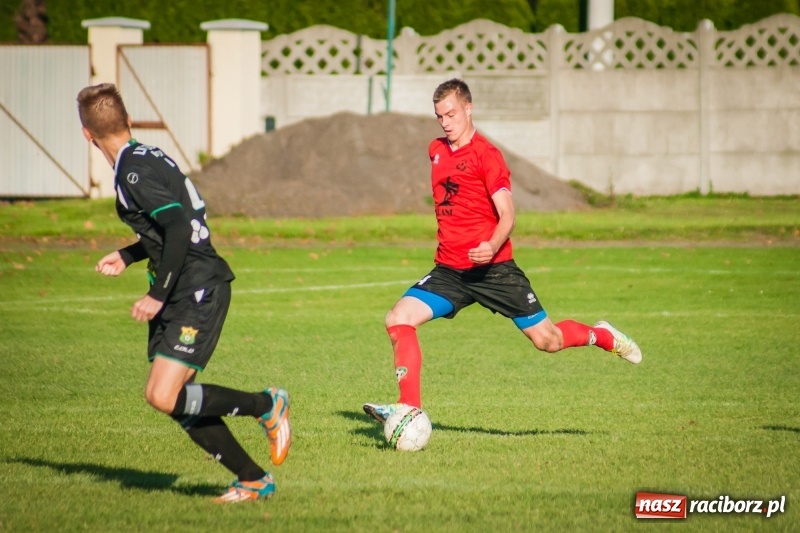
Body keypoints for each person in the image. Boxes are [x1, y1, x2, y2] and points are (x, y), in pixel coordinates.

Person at [363, 78, 641, 423]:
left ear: (468, 108)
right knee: (398, 319)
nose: (446, 122)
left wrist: (491, 244)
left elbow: (508, 213)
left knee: (548, 341)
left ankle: (601, 335)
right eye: (439, 117)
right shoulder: (435, 150)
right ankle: (408, 408)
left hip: (494, 271)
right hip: (450, 271)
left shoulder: (487, 156)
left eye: (451, 114)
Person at [77, 83, 291, 503]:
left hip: (194, 288)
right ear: (128, 121)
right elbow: (171, 225)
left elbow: (177, 227)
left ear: (87, 133)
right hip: (185, 284)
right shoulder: (146, 156)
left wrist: (157, 292)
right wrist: (129, 253)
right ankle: (251, 479)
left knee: (162, 393)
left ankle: (266, 404)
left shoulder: (131, 171)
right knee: (178, 399)